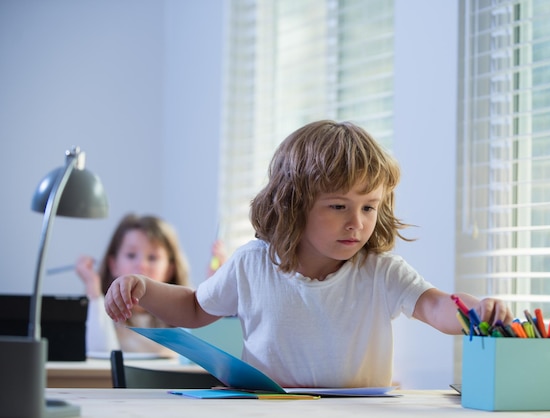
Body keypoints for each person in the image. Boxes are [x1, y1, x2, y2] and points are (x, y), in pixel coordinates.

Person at [104, 120, 513, 388]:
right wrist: (141, 287)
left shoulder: (380, 270)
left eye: (368, 207)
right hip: (268, 412)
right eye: (338, 207)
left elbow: (434, 306)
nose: (357, 222)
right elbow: (195, 308)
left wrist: (477, 311)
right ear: (293, 203)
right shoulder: (252, 264)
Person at [76, 213, 191, 357]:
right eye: (131, 255)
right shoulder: (103, 316)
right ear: (113, 265)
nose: (141, 266)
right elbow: (100, 359)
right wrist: (93, 289)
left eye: (152, 257)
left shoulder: (183, 317)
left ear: (169, 270)